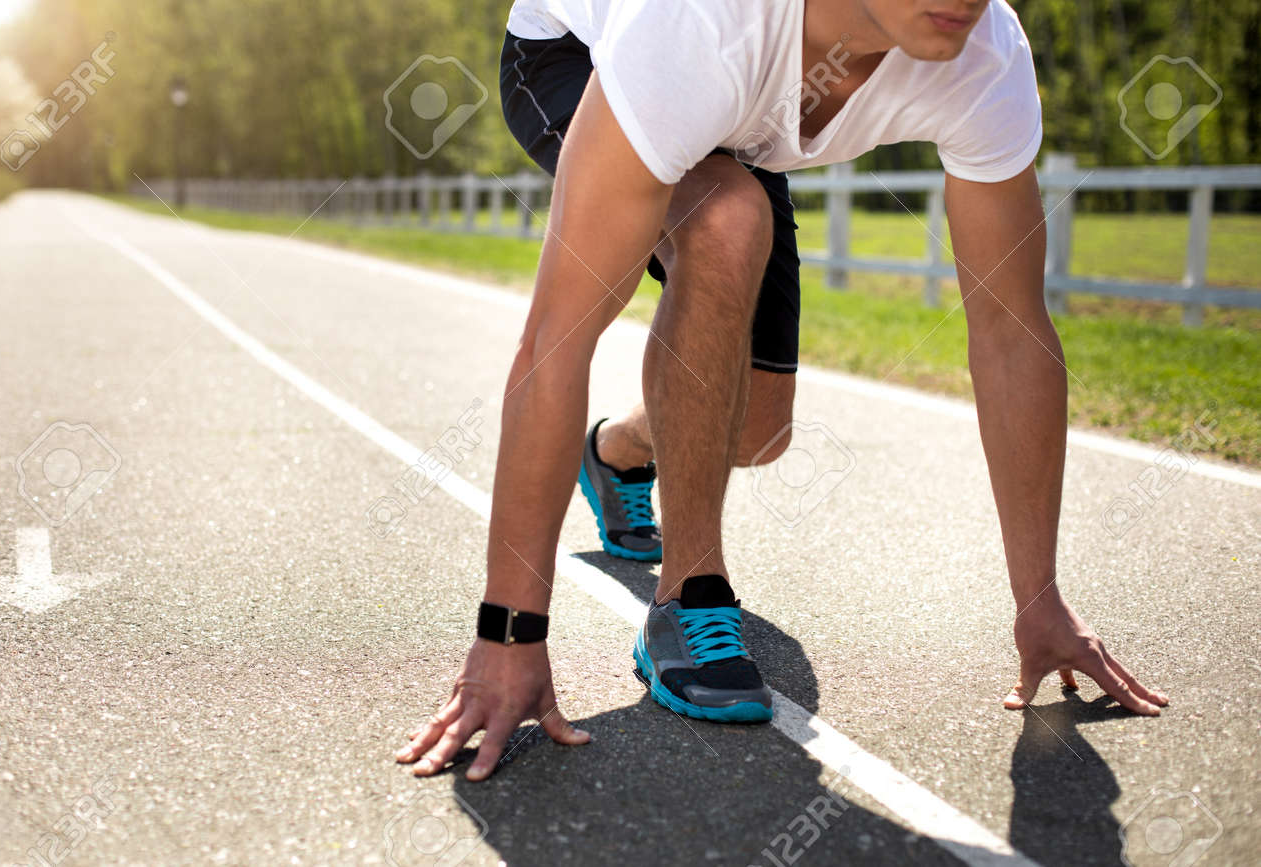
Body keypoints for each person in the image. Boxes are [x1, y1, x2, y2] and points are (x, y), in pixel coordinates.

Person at [398, 0, 1169, 782]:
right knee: (727, 217)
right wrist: (508, 634)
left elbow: (1013, 335)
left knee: (759, 429)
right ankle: (690, 594)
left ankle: (615, 452)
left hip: (738, 106)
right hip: (577, 51)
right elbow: (555, 340)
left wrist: (1038, 596)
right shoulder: (698, 25)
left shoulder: (985, 49)